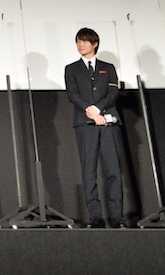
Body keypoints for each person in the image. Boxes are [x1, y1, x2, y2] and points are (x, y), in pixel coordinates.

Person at [63, 28, 127, 228]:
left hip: (107, 123)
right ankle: (96, 217)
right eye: (78, 41)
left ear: (95, 43)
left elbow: (113, 91)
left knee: (113, 170)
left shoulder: (107, 67)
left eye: (84, 41)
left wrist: (99, 109)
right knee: (89, 171)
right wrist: (89, 110)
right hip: (85, 124)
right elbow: (72, 94)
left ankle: (117, 216)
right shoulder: (71, 68)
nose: (81, 45)